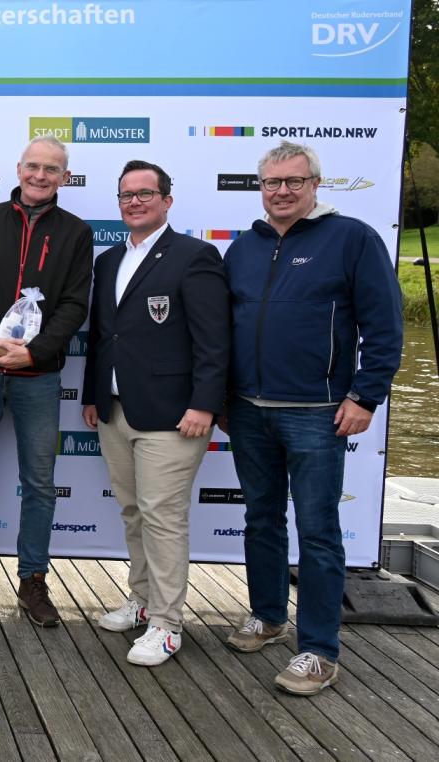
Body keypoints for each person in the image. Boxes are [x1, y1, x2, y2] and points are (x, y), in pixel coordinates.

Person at [222, 141, 402, 695]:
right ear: (261, 187)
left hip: (318, 413)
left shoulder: (352, 239)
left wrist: (365, 396)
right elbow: (224, 329)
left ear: (315, 185)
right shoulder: (243, 247)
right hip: (248, 410)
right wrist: (224, 397)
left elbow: (385, 325)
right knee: (261, 519)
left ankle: (320, 650)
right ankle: (268, 615)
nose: (281, 191)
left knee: (319, 531)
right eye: (272, 182)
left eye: (293, 181)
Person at [81, 160, 229, 665]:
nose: (135, 202)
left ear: (167, 200)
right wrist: (92, 395)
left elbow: (214, 339)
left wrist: (205, 404)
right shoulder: (108, 260)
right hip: (115, 409)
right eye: (126, 195)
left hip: (173, 414)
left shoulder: (194, 256)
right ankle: (142, 601)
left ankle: (167, 624)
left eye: (145, 193)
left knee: (163, 517)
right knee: (133, 511)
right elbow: (104, 336)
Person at [0, 135, 92, 626]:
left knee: (41, 484)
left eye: (52, 169)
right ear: (19, 168)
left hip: (40, 375)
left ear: (64, 177)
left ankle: (33, 581)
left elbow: (75, 304)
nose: (40, 175)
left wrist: (34, 351)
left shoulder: (76, 232)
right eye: (34, 166)